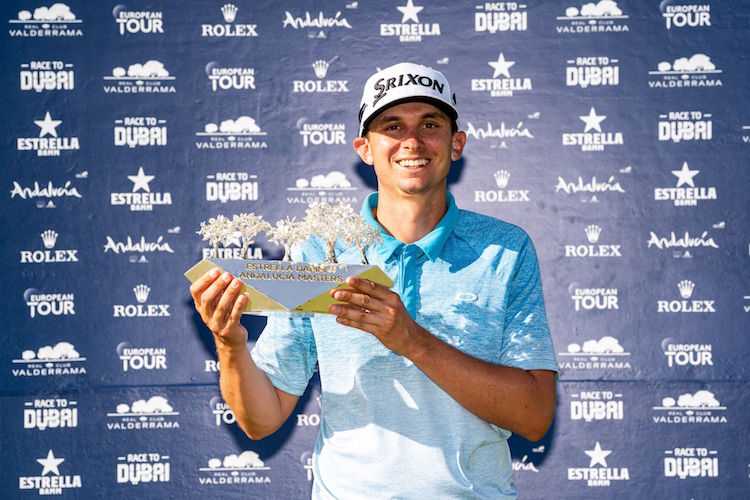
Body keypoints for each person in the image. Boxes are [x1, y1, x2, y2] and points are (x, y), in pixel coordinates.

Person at [190, 62, 557, 498]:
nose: (412, 141)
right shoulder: (318, 253)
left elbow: (535, 417)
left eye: (430, 124)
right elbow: (261, 419)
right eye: (392, 126)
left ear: (456, 143)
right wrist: (230, 345)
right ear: (365, 148)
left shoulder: (505, 249)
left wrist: (412, 341)